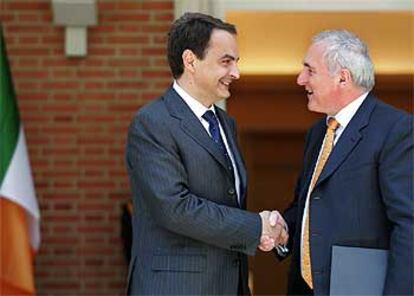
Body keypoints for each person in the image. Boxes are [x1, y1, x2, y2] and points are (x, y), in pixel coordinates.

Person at [125, 12, 288, 295]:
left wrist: (265, 230)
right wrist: (254, 227)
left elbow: (227, 202)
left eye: (236, 62)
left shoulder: (227, 124)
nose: (236, 73)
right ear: (190, 61)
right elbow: (174, 208)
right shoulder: (152, 122)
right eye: (226, 62)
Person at [281, 29, 413, 295]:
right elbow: (307, 205)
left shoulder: (395, 129)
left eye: (310, 70)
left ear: (342, 78)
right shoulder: (317, 133)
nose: (300, 79)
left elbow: (409, 225)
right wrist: (278, 228)